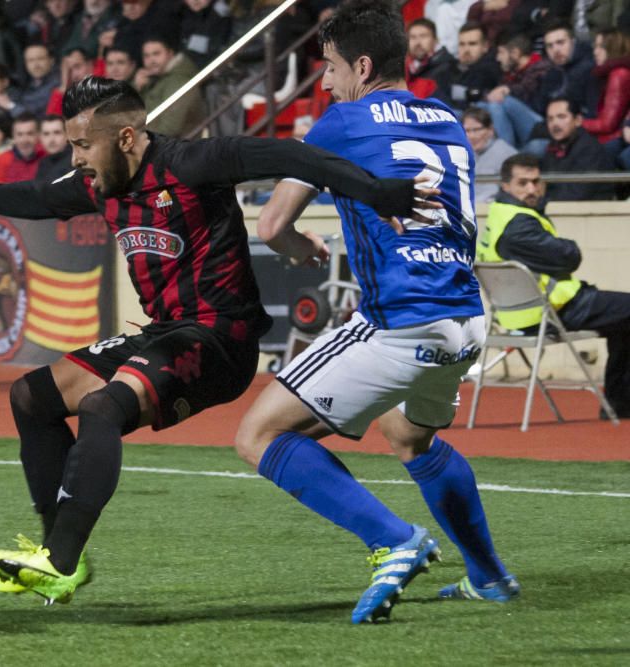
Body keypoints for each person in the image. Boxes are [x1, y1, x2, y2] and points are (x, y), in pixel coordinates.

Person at [0, 74, 427, 605]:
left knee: (102, 408)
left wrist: (377, 191)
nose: (77, 157)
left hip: (220, 339)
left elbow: (296, 156)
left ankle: (59, 561)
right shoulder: (96, 185)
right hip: (165, 335)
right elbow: (35, 198)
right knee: (31, 397)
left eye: (84, 145)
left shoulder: (193, 164)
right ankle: (58, 551)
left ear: (127, 138)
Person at [233, 0, 518, 626]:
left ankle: (394, 540)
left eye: (331, 68)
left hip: (402, 319)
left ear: (362, 65)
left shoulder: (340, 122)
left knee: (257, 435)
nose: (327, 82)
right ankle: (490, 577)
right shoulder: (445, 116)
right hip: (467, 319)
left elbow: (273, 223)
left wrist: (299, 246)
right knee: (409, 433)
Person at [478, 153, 630, 418]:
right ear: (505, 186)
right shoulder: (519, 225)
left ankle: (620, 403)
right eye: (523, 183)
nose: (532, 189)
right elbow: (569, 257)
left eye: (536, 182)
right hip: (552, 312)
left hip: (519, 314)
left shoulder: (501, 215)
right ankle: (618, 404)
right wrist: (570, 248)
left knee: (623, 319)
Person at [541, 97, 616, 201]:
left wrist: (543, 199)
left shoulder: (590, 149)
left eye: (561, 117)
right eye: (550, 119)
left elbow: (578, 193)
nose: (555, 124)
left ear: (578, 120)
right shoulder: (553, 147)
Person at [463, 106, 517, 202]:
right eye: (467, 131)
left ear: (490, 130)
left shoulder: (506, 154)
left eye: (476, 129)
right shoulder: (463, 153)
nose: (471, 136)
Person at [0, 112, 45, 184]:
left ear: (38, 135)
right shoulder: (1, 161)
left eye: (30, 134)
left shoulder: (47, 159)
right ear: (13, 136)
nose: (24, 140)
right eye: (20, 134)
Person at [34, 114, 72, 183]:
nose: (51, 139)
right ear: (40, 137)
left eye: (57, 133)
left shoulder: (75, 162)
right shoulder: (43, 163)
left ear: (67, 135)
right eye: (46, 134)